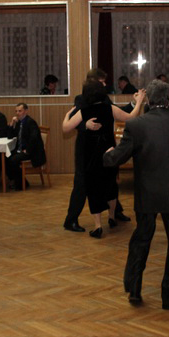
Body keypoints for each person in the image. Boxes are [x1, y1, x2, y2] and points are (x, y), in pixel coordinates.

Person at [103, 80, 169, 310]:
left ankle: (134, 288)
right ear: (168, 99)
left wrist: (107, 155)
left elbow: (118, 157)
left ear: (149, 100)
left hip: (147, 192)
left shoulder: (136, 125)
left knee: (142, 238)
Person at [63, 81, 144, 238]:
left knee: (94, 188)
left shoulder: (84, 111)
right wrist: (139, 101)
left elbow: (65, 128)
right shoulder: (110, 108)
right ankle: (112, 217)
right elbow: (131, 117)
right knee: (110, 184)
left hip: (91, 155)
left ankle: (98, 226)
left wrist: (66, 116)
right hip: (109, 152)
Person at [5, 103, 45, 191]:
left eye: (20, 111)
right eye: (16, 111)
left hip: (31, 151)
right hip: (20, 149)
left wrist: (27, 150)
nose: (17, 113)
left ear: (26, 111)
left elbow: (34, 138)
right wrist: (12, 124)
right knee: (5, 158)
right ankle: (16, 181)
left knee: (13, 160)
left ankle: (22, 184)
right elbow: (10, 136)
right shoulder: (19, 122)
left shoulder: (31, 122)